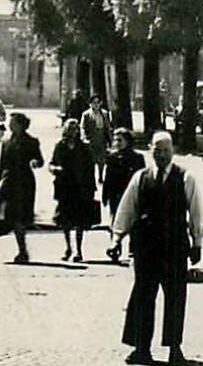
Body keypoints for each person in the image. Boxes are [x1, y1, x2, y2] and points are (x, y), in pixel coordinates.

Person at [109, 130, 203, 366]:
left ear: (172, 152)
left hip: (174, 247)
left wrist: (197, 242)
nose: (160, 155)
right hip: (146, 247)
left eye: (165, 151)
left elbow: (196, 212)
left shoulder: (185, 178)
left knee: (174, 297)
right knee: (142, 296)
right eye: (156, 151)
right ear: (150, 151)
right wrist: (116, 239)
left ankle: (174, 349)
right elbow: (126, 210)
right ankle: (141, 348)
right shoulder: (141, 178)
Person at [0, 112, 45, 264]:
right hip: (9, 183)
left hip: (25, 184)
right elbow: (2, 165)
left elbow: (40, 160)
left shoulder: (32, 142)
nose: (10, 125)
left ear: (21, 125)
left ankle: (22, 251)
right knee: (12, 216)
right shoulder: (6, 142)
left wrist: (35, 162)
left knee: (20, 218)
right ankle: (22, 250)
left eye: (13, 122)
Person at [50, 117, 100, 262]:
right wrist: (54, 169)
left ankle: (78, 250)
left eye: (75, 129)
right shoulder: (60, 146)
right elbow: (52, 163)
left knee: (79, 221)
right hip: (64, 186)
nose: (73, 132)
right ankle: (68, 248)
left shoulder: (84, 147)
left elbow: (90, 168)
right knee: (65, 220)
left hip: (80, 187)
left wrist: (91, 188)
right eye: (70, 129)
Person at [102, 127, 144, 222]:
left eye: (120, 140)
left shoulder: (137, 158)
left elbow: (142, 178)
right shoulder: (112, 157)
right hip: (116, 195)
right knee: (116, 220)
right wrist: (105, 195)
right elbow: (108, 177)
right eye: (115, 140)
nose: (117, 143)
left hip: (131, 194)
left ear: (128, 141)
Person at [86, 97, 110, 182]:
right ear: (90, 104)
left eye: (98, 102)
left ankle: (100, 176)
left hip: (101, 139)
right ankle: (91, 177)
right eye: (94, 102)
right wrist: (84, 138)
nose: (96, 105)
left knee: (102, 159)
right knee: (91, 160)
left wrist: (110, 139)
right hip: (92, 139)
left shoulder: (104, 113)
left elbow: (108, 127)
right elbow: (82, 127)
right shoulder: (86, 114)